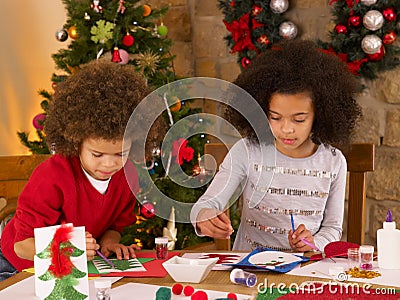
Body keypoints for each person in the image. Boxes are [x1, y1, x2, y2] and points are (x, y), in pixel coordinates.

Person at [190, 39, 362, 252]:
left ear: (320, 116)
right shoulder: (248, 151)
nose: (286, 129)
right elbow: (207, 203)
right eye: (276, 117)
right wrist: (204, 215)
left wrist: (312, 243)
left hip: (305, 270)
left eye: (299, 120)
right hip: (249, 269)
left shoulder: (333, 162)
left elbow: (332, 229)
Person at [0, 60, 155, 281]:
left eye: (120, 154)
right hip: (19, 267)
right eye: (97, 155)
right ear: (76, 143)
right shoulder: (52, 176)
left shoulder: (128, 177)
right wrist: (70, 248)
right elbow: (22, 246)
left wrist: (110, 242)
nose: (109, 165)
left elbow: (114, 225)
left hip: (73, 270)